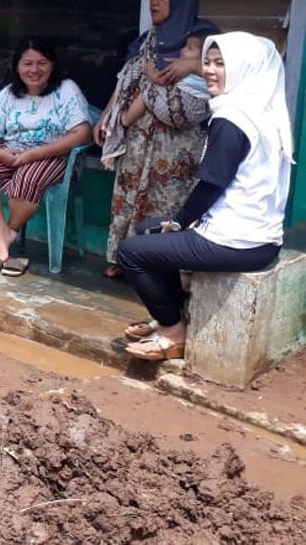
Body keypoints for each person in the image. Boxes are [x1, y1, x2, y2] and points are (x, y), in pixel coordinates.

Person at [115, 32, 292, 360]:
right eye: (207, 62)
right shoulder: (263, 111)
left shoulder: (231, 118)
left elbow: (212, 184)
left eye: (221, 64)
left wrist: (180, 222)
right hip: (261, 239)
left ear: (244, 68)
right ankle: (172, 313)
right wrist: (177, 224)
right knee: (147, 229)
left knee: (130, 253)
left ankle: (172, 331)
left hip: (235, 241)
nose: (209, 70)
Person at [95, 0, 214, 279]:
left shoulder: (203, 39)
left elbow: (225, 75)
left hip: (176, 145)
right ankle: (124, 257)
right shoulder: (147, 40)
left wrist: (192, 64)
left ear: (181, 0)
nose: (154, 2)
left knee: (168, 202)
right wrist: (107, 116)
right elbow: (125, 81)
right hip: (137, 140)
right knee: (130, 197)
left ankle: (162, 266)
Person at [0, 39, 93, 276]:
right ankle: (3, 237)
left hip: (53, 156)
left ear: (52, 64)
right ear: (17, 66)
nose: (34, 70)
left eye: (42, 63)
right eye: (27, 63)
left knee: (29, 176)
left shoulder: (66, 90)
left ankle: (9, 232)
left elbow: (83, 133)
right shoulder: (10, 93)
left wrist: (35, 153)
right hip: (11, 153)